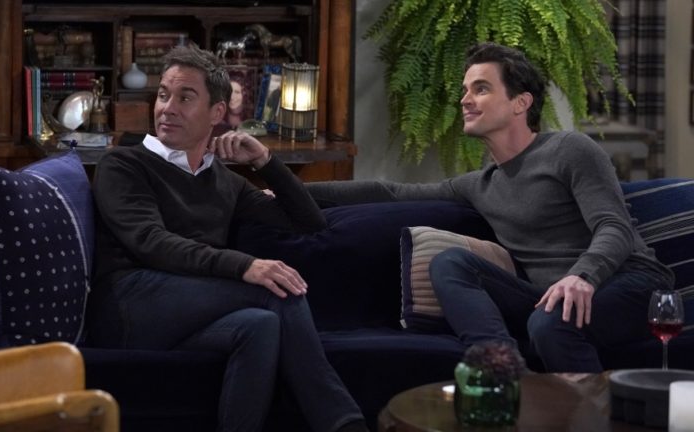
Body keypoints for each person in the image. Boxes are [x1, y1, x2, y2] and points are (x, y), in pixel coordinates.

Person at [87, 44, 367, 432]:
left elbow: (309, 223)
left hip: (189, 307)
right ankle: (346, 426)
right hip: (130, 303)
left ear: (217, 113)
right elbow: (151, 242)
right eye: (164, 95)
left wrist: (265, 161)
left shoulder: (222, 179)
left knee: (260, 326)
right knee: (278, 292)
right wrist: (245, 266)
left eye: (185, 98)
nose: (167, 108)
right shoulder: (123, 163)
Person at [387, 42, 674, 373]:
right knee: (449, 262)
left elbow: (615, 226)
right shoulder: (478, 184)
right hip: (547, 297)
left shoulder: (569, 148)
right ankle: (504, 370)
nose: (464, 100)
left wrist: (582, 276)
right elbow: (394, 193)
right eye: (465, 90)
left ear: (521, 102)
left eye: (481, 89)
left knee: (550, 324)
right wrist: (327, 189)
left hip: (629, 281)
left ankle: (593, 405)